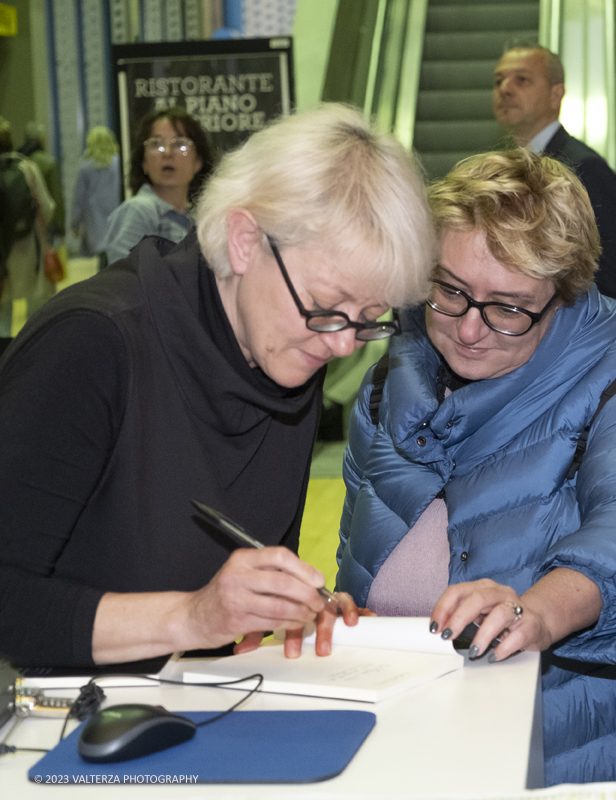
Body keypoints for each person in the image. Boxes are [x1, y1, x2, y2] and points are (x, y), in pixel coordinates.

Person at [336, 149, 616, 786]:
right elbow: (361, 554)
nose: (471, 329)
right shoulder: (388, 382)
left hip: (610, 755)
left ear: (564, 292)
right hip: (432, 749)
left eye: (508, 307)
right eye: (450, 290)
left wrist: (535, 612)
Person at [0, 104, 435, 668]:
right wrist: (193, 617)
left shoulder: (286, 348)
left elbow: (247, 576)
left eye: (369, 317)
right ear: (243, 240)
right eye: (327, 308)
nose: (344, 345)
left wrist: (282, 607)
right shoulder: (93, 343)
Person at [493, 44, 616, 303]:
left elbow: (607, 283)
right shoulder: (499, 170)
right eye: (499, 80)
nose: (505, 89)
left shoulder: (585, 169)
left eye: (522, 80)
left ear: (556, 95)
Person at [104, 108, 213, 264]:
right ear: (144, 163)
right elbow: (125, 283)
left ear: (198, 162)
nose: (167, 153)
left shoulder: (198, 217)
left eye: (180, 144)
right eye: (156, 144)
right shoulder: (137, 212)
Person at [0, 117, 55, 337]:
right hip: (28, 248)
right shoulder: (28, 168)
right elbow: (47, 208)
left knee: (2, 315)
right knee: (36, 313)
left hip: (1, 256)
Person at [71, 126, 122, 264]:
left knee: (103, 255)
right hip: (117, 212)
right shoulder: (119, 163)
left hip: (95, 216)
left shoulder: (85, 166)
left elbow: (79, 199)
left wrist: (75, 224)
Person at [20, 121, 64, 239]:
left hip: (25, 222)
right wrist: (60, 227)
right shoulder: (48, 163)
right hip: (46, 221)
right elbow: (57, 197)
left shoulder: (20, 161)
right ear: (41, 139)